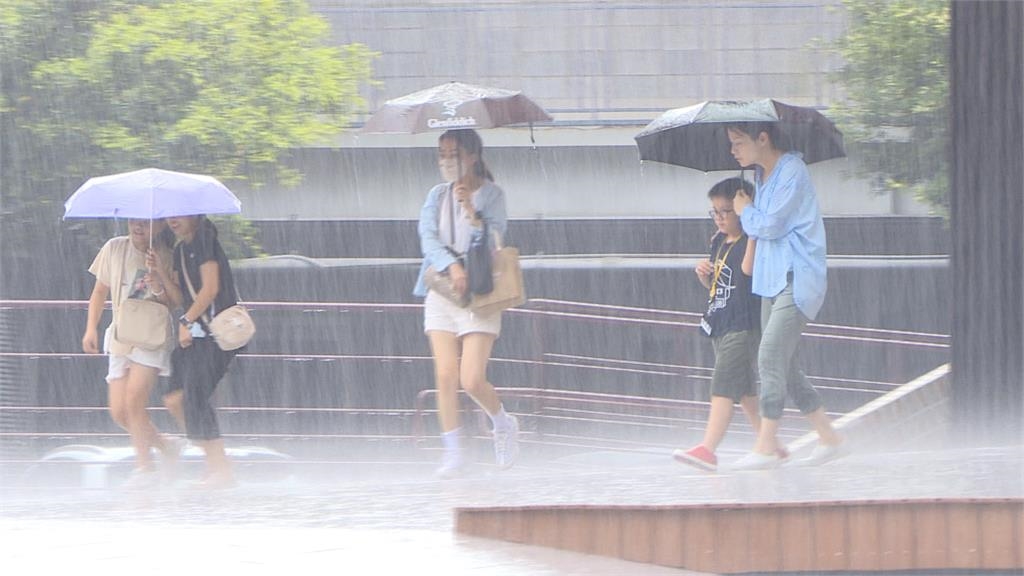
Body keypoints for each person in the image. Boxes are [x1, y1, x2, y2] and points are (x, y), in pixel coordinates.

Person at [726, 122, 846, 470]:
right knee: (787, 366)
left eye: (738, 142)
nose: (734, 151)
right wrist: (748, 209)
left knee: (768, 356)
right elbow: (760, 229)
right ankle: (830, 438)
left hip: (797, 277)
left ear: (763, 139)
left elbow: (771, 225)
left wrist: (745, 212)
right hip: (769, 281)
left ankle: (765, 447)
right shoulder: (761, 179)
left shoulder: (792, 170)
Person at [413, 128, 520, 478]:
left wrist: (471, 210)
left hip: (481, 292)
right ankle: (454, 452)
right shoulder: (435, 195)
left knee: (471, 379)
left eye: (453, 154)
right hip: (442, 290)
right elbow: (428, 238)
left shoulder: (492, 195)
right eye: (441, 154)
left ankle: (503, 424)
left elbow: (494, 236)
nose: (446, 161)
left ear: (472, 156)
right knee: (445, 375)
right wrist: (451, 265)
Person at [82, 218, 184, 488]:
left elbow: (174, 302)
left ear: (160, 227)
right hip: (121, 333)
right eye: (134, 221)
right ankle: (165, 445)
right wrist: (91, 328)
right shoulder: (114, 248)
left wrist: (158, 277)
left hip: (151, 334)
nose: (138, 227)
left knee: (134, 402)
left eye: (146, 224)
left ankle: (144, 468)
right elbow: (99, 291)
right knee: (119, 411)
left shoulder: (168, 256)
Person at [673, 178, 767, 472]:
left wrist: (752, 227)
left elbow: (748, 273)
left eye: (726, 211)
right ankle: (770, 442)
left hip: (743, 324)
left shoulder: (752, 240)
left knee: (723, 383)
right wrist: (704, 275)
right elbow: (717, 286)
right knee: (743, 390)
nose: (719, 218)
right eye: (714, 212)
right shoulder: (717, 241)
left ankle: (708, 449)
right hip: (719, 321)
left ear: (742, 210)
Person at [157, 214, 241, 489]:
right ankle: (214, 462)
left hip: (215, 334)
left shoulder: (206, 241)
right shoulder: (182, 250)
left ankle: (220, 469)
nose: (173, 220)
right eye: (169, 215)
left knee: (195, 396)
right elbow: (182, 297)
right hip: (194, 336)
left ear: (194, 215)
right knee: (174, 398)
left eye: (179, 214)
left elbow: (211, 289)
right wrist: (159, 270)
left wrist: (186, 320)